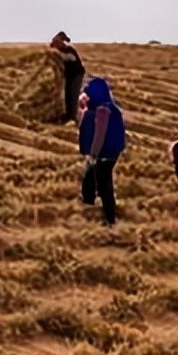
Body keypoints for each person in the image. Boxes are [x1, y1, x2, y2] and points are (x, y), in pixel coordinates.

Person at [78, 77, 127, 225]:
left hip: (104, 154)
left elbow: (100, 134)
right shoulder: (109, 107)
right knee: (89, 178)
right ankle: (89, 205)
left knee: (104, 185)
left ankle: (110, 219)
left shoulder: (102, 110)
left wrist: (93, 155)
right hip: (110, 152)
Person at [49, 32, 85, 124]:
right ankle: (67, 115)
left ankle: (72, 117)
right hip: (68, 76)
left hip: (76, 75)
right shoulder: (59, 50)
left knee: (73, 94)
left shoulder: (68, 50)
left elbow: (70, 58)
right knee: (67, 94)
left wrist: (57, 54)